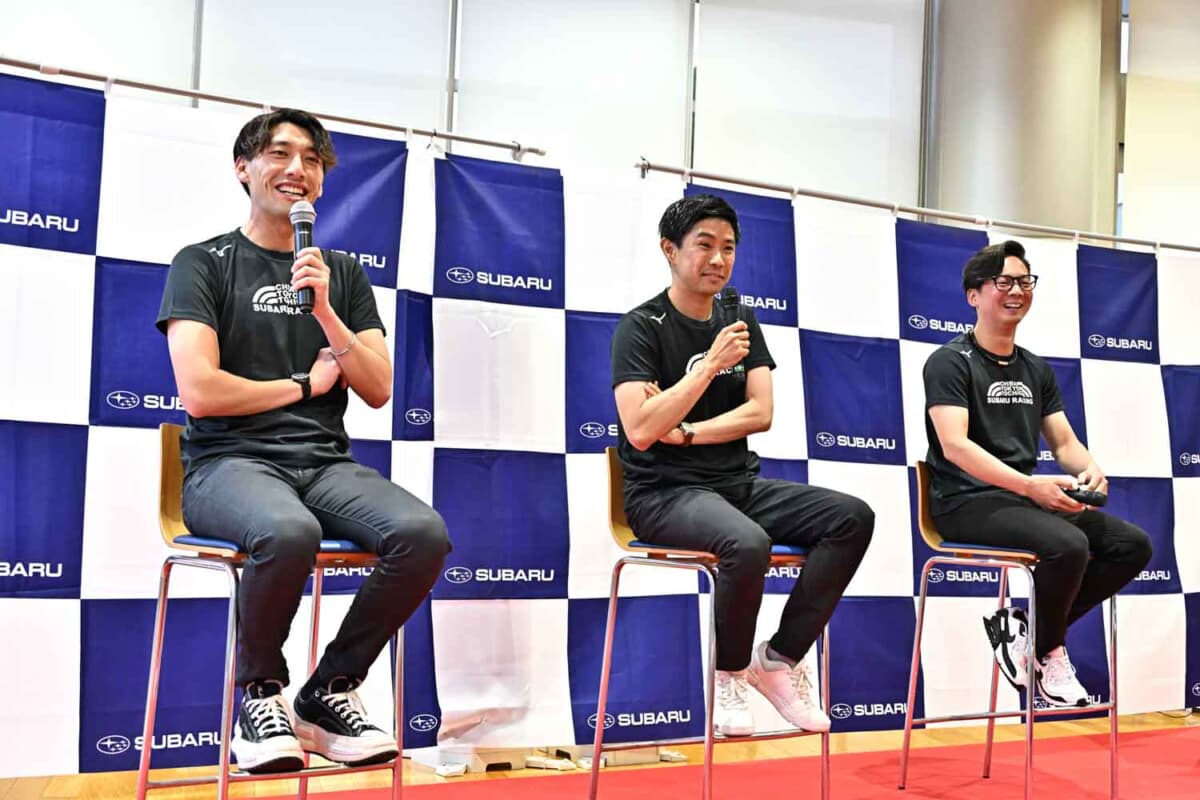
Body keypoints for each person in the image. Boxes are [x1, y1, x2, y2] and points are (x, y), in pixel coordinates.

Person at [156, 109, 451, 772]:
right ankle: (259, 695)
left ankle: (328, 691)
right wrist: (302, 385)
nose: (298, 169)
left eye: (312, 159)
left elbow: (378, 387)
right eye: (280, 153)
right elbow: (200, 391)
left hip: (322, 465)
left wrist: (324, 311)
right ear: (244, 168)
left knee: (422, 534)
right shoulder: (203, 263)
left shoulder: (340, 272)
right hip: (227, 464)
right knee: (289, 532)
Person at [610, 194, 875, 735]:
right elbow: (640, 428)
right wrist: (708, 367)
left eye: (728, 248)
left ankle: (777, 662)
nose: (718, 259)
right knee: (747, 543)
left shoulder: (740, 318)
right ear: (670, 250)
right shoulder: (641, 327)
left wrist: (686, 431)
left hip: (735, 484)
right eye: (704, 245)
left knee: (852, 517)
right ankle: (728, 672)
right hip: (662, 492)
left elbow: (760, 412)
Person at [923, 239, 1152, 707]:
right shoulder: (949, 362)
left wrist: (1089, 469)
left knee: (1132, 545)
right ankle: (1049, 652)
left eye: (1024, 281)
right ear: (973, 295)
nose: (1016, 291)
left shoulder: (1035, 368)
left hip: (1020, 501)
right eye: (1003, 281)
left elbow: (1063, 443)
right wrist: (1030, 485)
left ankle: (1029, 633)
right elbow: (955, 445)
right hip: (963, 502)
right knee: (1068, 545)